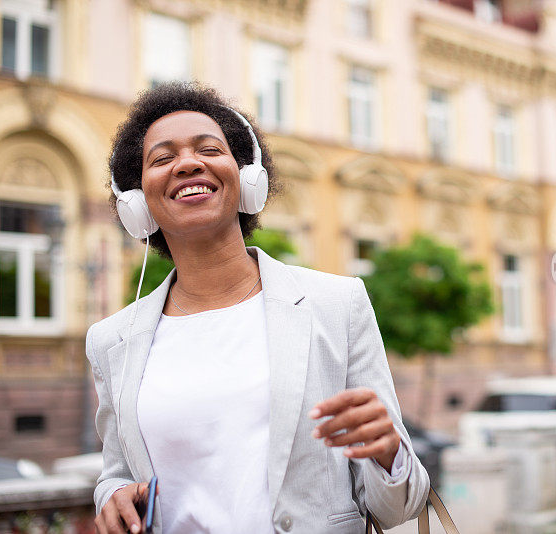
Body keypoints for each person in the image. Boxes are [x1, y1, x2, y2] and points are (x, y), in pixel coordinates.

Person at [86, 81, 430, 533]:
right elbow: (119, 471)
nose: (188, 164)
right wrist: (112, 494)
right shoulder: (111, 341)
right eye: (163, 158)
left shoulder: (336, 305)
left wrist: (389, 453)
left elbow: (398, 507)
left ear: (249, 178)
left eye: (208, 149)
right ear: (137, 202)